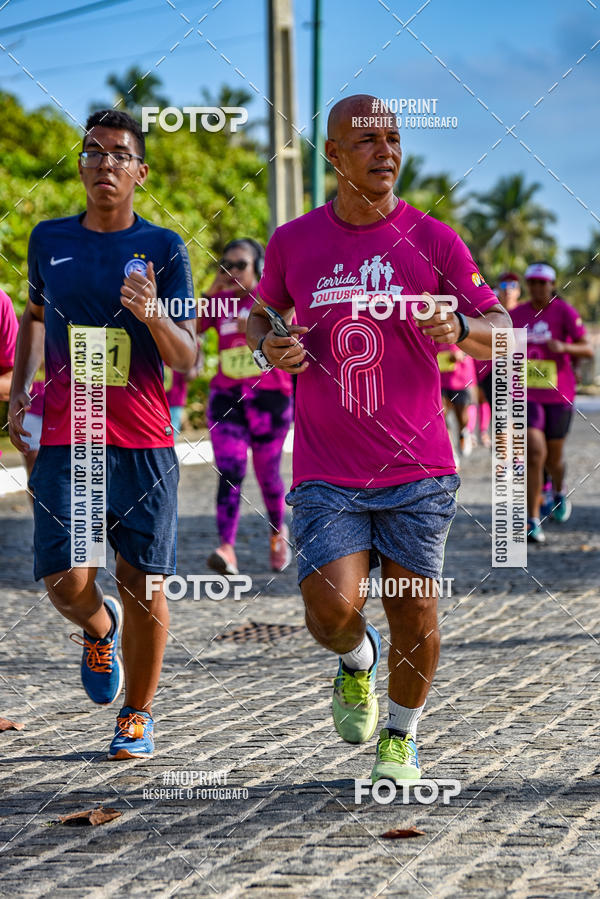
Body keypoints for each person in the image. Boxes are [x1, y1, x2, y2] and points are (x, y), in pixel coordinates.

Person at [246, 94, 508, 783]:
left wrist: (464, 331)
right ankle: (356, 658)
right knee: (330, 608)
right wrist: (271, 344)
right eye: (366, 141)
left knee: (415, 610)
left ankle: (402, 733)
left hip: (419, 469)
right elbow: (264, 319)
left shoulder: (434, 239)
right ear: (333, 155)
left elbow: (504, 330)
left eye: (393, 138)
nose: (385, 150)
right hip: (328, 472)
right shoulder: (293, 241)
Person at [8, 109, 196, 759]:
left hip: (143, 442)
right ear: (82, 166)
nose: (105, 163)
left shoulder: (165, 248)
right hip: (69, 435)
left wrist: (153, 315)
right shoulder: (48, 239)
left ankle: (137, 715)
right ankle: (98, 626)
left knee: (143, 582)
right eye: (94, 152)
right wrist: (18, 393)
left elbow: (187, 358)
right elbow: (33, 317)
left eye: (120, 154)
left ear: (140, 173)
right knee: (64, 575)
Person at [199, 238, 294, 574]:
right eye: (226, 264)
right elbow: (192, 326)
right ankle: (226, 548)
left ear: (258, 268)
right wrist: (212, 289)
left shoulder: (273, 300)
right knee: (230, 470)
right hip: (227, 399)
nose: (232, 271)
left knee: (268, 475)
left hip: (270, 400)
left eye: (240, 265)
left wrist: (258, 329)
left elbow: (296, 337)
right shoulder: (220, 302)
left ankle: (277, 533)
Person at [510, 262, 593, 543]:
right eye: (532, 282)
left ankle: (558, 488)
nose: (537, 288)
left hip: (558, 395)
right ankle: (532, 520)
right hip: (526, 394)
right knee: (534, 452)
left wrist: (566, 348)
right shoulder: (516, 314)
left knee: (554, 457)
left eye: (542, 283)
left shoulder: (564, 312)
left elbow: (588, 348)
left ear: (552, 285)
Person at [475, 271, 522, 448]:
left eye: (513, 286)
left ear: (519, 291)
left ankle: (515, 458)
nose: (508, 290)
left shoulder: (525, 313)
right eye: (504, 286)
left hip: (520, 375)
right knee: (501, 415)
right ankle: (504, 458)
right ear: (497, 289)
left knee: (519, 418)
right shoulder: (489, 313)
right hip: (492, 373)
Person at [438, 344, 477, 460]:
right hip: (439, 378)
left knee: (462, 417)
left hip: (461, 378)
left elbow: (477, 344)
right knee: (441, 414)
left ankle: (464, 433)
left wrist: (463, 353)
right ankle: (451, 452)